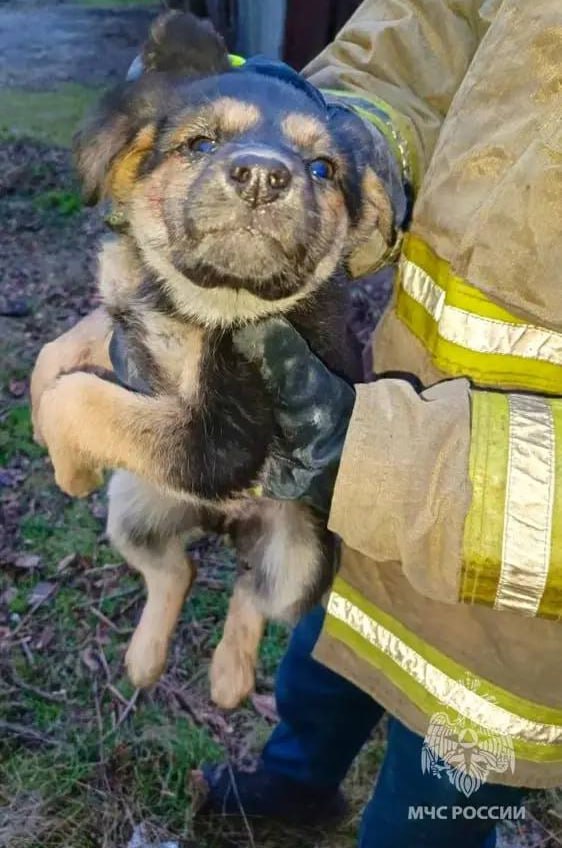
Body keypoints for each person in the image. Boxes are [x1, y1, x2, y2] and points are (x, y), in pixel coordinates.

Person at [31, 1, 562, 845]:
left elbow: (204, 449)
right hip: (373, 489)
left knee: (425, 816)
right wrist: (337, 140)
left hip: (512, 625)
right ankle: (293, 788)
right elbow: (429, 26)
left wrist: (388, 464)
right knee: (321, 673)